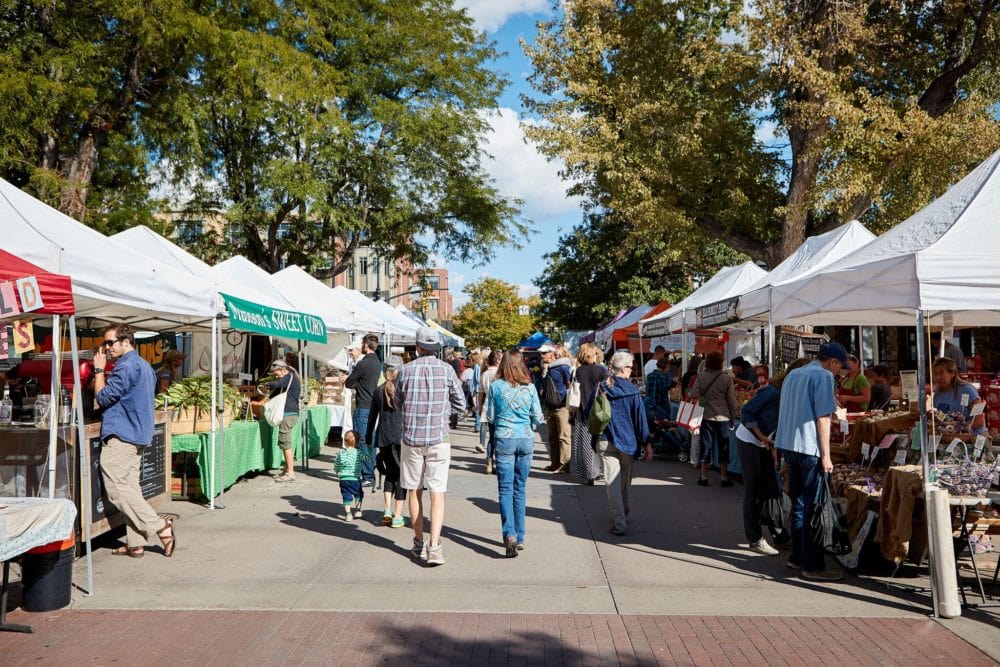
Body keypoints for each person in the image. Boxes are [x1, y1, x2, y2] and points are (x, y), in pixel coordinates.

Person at [93, 324, 175, 557]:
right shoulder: (143, 365)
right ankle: (135, 543)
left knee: (117, 490)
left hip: (122, 434)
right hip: (137, 433)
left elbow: (103, 397)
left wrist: (99, 371)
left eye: (110, 342)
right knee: (130, 489)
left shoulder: (126, 366)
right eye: (105, 343)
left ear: (126, 341)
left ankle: (161, 526)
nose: (107, 348)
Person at [776, 342, 848, 581]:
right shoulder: (823, 376)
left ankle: (796, 557)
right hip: (808, 447)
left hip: (789, 444)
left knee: (797, 504)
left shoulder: (794, 373)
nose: (839, 373)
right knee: (812, 506)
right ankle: (813, 566)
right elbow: (823, 418)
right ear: (832, 362)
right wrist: (826, 456)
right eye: (840, 368)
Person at [396, 326, 466, 566]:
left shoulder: (404, 371)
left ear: (417, 347)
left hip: (411, 438)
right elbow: (461, 402)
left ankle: (418, 542)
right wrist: (445, 413)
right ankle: (434, 546)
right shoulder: (447, 370)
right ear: (436, 348)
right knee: (437, 492)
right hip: (438, 437)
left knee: (413, 490)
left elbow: (397, 402)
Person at [736, 358, 811, 555]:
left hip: (766, 442)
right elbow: (746, 412)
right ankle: (755, 538)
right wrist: (762, 438)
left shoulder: (793, 394)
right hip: (750, 440)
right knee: (754, 489)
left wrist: (774, 444)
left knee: (773, 488)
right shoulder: (773, 393)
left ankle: (778, 533)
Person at [487, 348, 544, 557]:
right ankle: (520, 536)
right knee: (520, 488)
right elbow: (538, 417)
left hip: (504, 437)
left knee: (505, 488)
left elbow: (490, 416)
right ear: (522, 364)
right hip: (525, 438)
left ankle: (509, 533)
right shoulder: (529, 388)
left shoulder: (496, 387)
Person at [595, 351, 652, 536]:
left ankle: (619, 518)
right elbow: (640, 419)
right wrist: (647, 443)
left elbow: (591, 411)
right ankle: (621, 513)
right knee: (624, 482)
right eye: (630, 366)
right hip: (628, 442)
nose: (632, 369)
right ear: (624, 368)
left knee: (611, 482)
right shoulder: (633, 391)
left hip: (605, 439)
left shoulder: (602, 387)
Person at [688, 351, 740, 487]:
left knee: (706, 446)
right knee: (724, 447)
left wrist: (704, 400)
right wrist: (733, 416)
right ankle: (724, 478)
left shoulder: (701, 376)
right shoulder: (726, 378)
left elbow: (694, 394)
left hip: (706, 416)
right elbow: (732, 401)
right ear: (720, 363)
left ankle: (704, 477)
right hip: (723, 417)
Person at [366, 357, 407, 528]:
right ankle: (398, 516)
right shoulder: (404, 389)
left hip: (383, 437)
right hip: (401, 438)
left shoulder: (378, 391)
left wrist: (369, 437)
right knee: (401, 477)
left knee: (389, 474)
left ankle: (387, 510)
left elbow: (372, 417)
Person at [345, 333, 381, 489]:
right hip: (373, 406)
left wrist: (353, 382)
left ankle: (367, 475)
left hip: (363, 406)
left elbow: (348, 382)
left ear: (365, 345)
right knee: (370, 441)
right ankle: (370, 471)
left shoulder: (363, 363)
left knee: (362, 442)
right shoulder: (377, 363)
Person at [572, 343, 608, 485]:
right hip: (599, 410)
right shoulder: (601, 371)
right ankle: (599, 471)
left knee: (585, 445)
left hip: (582, 411)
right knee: (601, 443)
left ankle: (589, 474)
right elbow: (607, 389)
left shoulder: (578, 371)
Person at [538, 343, 573, 473]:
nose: (542, 356)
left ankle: (564, 465)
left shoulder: (563, 366)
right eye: (541, 353)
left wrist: (566, 398)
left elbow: (570, 384)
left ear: (552, 354)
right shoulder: (546, 368)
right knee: (552, 437)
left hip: (562, 406)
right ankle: (554, 463)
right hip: (550, 406)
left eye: (544, 353)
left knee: (564, 436)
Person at [932, 357, 987, 435]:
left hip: (974, 438)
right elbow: (943, 418)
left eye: (941, 373)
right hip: (950, 438)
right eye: (935, 374)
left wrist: (962, 427)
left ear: (952, 373)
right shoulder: (937, 394)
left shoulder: (967, 390)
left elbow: (979, 420)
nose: (938, 377)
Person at [266, 359, 301, 482]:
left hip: (288, 414)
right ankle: (286, 470)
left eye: (276, 372)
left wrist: (268, 384)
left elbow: (277, 385)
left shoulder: (288, 377)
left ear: (283, 369)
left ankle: (290, 473)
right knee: (284, 442)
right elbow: (275, 392)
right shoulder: (287, 379)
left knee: (286, 443)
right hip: (289, 413)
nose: (275, 375)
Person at [477, 350, 502, 472]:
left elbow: (480, 393)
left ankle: (489, 461)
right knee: (499, 436)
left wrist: (480, 407)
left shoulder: (484, 374)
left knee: (492, 437)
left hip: (487, 406)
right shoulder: (500, 373)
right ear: (498, 361)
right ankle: (497, 462)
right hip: (499, 408)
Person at [335, 430, 363, 521]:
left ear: (344, 441)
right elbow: (368, 457)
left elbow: (336, 465)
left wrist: (338, 472)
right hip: (355, 478)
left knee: (346, 496)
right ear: (358, 442)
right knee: (358, 494)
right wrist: (369, 448)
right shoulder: (358, 453)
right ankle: (358, 511)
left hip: (343, 479)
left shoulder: (340, 453)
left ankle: (348, 514)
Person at [644, 356, 674, 422]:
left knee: (653, 425)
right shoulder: (662, 375)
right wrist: (672, 384)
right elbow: (663, 389)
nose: (668, 369)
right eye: (668, 367)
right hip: (660, 405)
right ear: (664, 366)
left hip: (650, 404)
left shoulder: (650, 375)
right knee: (663, 425)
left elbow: (648, 389)